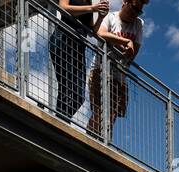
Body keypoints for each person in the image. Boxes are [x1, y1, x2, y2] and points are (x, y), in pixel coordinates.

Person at [88, 0, 148, 140]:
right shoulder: (111, 17)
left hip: (120, 76)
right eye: (133, 8)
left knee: (112, 116)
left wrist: (126, 48)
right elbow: (100, 33)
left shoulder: (138, 24)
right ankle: (90, 141)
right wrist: (124, 42)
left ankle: (104, 143)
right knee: (99, 111)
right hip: (100, 70)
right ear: (125, 2)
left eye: (139, 11)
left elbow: (133, 53)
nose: (135, 13)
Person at [52, 2, 109, 123]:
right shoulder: (90, 6)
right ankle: (59, 124)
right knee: (66, 90)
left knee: (79, 97)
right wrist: (92, 8)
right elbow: (63, 8)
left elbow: (92, 31)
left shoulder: (88, 2)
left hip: (78, 47)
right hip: (63, 39)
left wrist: (100, 16)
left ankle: (60, 120)